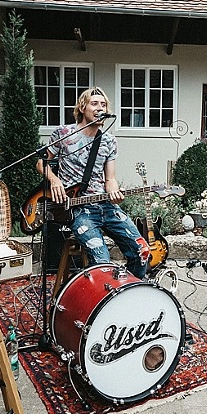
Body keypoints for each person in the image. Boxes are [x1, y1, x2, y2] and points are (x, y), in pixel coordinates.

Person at [36, 87, 150, 278]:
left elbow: (110, 179)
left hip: (105, 206)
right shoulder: (64, 133)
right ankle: (102, 302)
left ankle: (130, 292)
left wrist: (115, 195)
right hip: (78, 209)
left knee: (142, 250)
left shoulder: (108, 141)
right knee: (102, 261)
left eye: (103, 104)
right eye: (94, 103)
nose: (100, 108)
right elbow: (41, 163)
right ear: (82, 107)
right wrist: (55, 181)